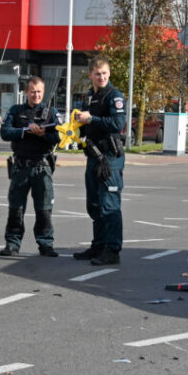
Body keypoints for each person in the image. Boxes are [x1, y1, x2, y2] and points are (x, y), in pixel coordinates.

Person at [72, 55, 127, 265]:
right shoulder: (89, 97)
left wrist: (92, 119)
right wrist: (77, 124)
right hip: (93, 157)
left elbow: (118, 123)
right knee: (94, 204)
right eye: (97, 74)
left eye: (104, 73)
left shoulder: (114, 96)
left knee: (109, 204)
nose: (101, 77)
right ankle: (99, 245)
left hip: (110, 158)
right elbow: (87, 126)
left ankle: (112, 250)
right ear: (90, 76)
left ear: (109, 73)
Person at [0, 76, 62, 256]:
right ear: (26, 92)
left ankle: (45, 244)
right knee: (16, 209)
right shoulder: (16, 111)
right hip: (21, 166)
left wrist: (43, 134)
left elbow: (59, 137)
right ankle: (12, 243)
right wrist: (26, 130)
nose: (36, 95)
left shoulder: (51, 112)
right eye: (32, 91)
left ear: (43, 92)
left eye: (39, 91)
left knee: (44, 209)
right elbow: (5, 132)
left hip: (42, 167)